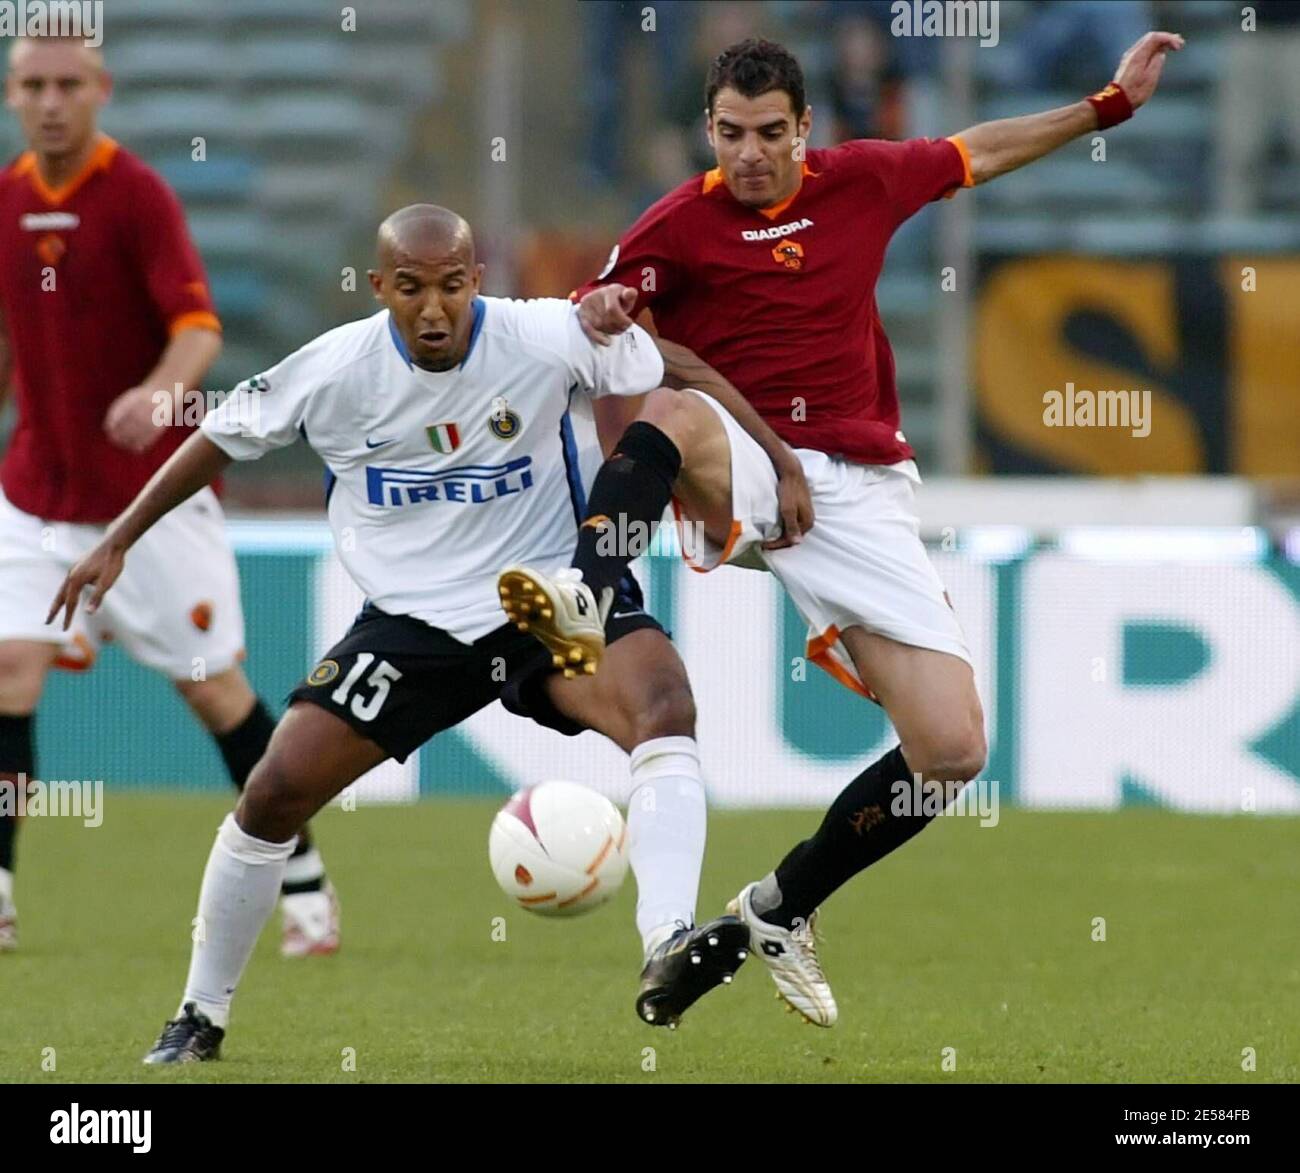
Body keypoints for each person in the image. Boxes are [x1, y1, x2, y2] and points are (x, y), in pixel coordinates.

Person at [504, 32, 1183, 1026]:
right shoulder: (674, 226)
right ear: (708, 128)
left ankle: (778, 909)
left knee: (950, 751)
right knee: (674, 416)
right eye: (730, 133)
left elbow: (977, 151)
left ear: (805, 128)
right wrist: (608, 307)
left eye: (768, 133)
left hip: (859, 490)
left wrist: (1106, 107)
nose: (748, 154)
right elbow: (598, 330)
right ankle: (585, 593)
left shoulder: (862, 180)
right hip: (740, 453)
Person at [47, 204, 781, 1061]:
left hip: (549, 598)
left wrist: (778, 455)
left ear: (477, 279)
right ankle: (199, 1017)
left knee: (664, 702)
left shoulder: (547, 334)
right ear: (378, 287)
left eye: (450, 287)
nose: (433, 309)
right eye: (410, 289)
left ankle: (667, 943)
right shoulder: (334, 368)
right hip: (412, 624)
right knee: (275, 790)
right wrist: (120, 537)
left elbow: (671, 372)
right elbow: (218, 436)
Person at [0, 36, 337, 956]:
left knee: (213, 691)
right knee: (7, 672)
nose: (52, 101)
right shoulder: (5, 201)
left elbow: (196, 327)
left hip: (146, 505)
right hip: (33, 495)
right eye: (34, 85)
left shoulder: (137, 195)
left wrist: (161, 392)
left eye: (69, 84)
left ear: (101, 90)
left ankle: (304, 879)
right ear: (12, 93)